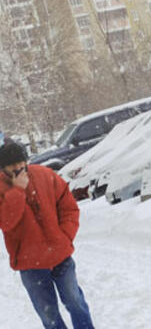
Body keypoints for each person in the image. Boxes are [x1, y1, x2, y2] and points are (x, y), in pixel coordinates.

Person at [0, 138, 94, 329]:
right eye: (12, 165)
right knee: (47, 313)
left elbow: (69, 209)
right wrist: (17, 191)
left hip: (60, 255)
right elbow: (6, 222)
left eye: (21, 162)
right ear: (3, 168)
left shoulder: (46, 176)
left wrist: (64, 238)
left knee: (75, 301)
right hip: (29, 263)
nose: (18, 167)